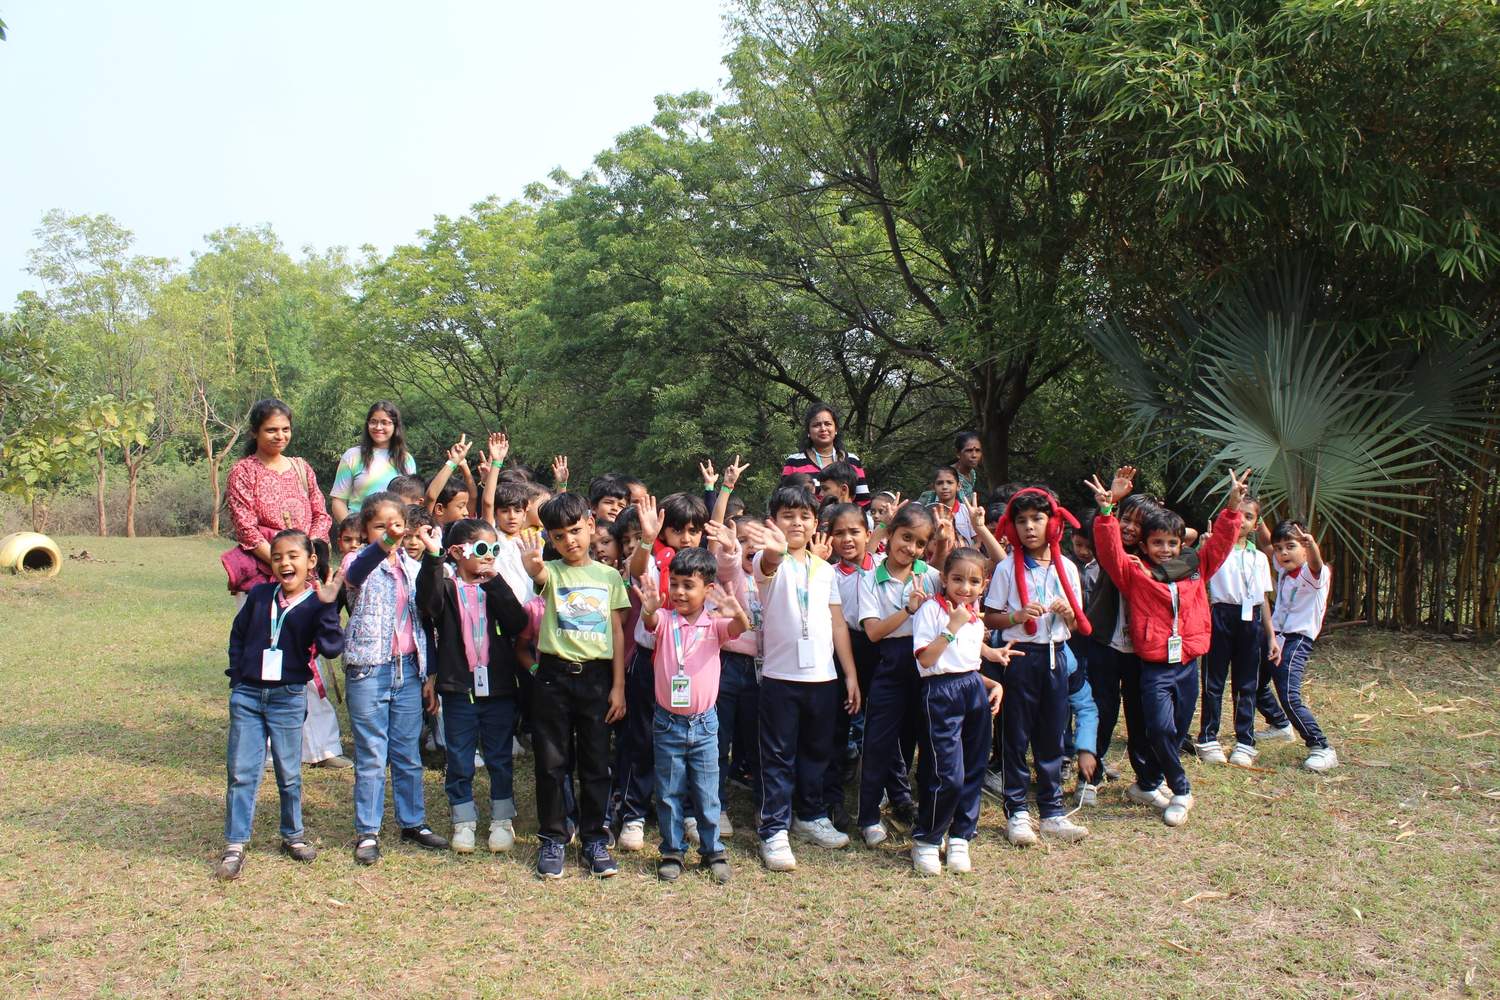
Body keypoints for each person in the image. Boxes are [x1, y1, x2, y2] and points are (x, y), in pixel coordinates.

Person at [1088, 466, 1250, 828]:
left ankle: (1148, 782)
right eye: (1157, 543)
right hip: (1155, 666)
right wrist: (1107, 510)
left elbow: (1220, 544)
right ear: (1145, 546)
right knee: (1158, 728)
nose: (1165, 550)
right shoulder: (1135, 573)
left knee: (1175, 731)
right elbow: (1110, 552)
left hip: (1188, 663)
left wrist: (1233, 508)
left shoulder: (1195, 567)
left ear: (1181, 546)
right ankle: (1181, 789)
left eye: (1171, 544)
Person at [740, 485, 862, 872]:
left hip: (823, 678)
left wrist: (850, 674)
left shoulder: (824, 569)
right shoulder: (767, 561)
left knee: (817, 752)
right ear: (773, 521)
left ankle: (809, 816)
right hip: (780, 677)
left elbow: (837, 623)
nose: (797, 523)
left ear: (815, 523)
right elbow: (769, 563)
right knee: (778, 756)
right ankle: (774, 829)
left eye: (804, 516)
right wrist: (775, 548)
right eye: (787, 516)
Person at [215, 530, 344, 880]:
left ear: (310, 561)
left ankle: (293, 836)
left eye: (292, 556)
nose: (284, 563)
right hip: (248, 696)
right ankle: (235, 844)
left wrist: (328, 605)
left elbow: (332, 648)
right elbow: (238, 634)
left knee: (289, 772)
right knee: (242, 771)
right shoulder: (260, 596)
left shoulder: (316, 604)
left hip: (288, 697)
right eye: (277, 557)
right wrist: (238, 677)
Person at [224, 399, 344, 768]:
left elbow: (321, 514)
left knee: (308, 660)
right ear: (255, 432)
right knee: (264, 656)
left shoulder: (302, 468)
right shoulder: (243, 472)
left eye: (285, 429)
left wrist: (306, 559)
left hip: (305, 575)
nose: (280, 436)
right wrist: (283, 564)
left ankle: (322, 748)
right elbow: (246, 527)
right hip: (264, 576)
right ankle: (266, 749)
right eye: (271, 430)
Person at [520, 492, 630, 879]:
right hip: (553, 677)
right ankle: (553, 838)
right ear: (550, 539)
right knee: (552, 762)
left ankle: (594, 840)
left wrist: (618, 686)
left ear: (591, 525)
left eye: (576, 530)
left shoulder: (609, 576)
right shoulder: (551, 572)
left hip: (597, 679)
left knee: (596, 763)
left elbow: (617, 632)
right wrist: (533, 567)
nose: (570, 541)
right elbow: (539, 576)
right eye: (559, 536)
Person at [341, 492, 448, 865]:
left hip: (409, 669)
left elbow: (429, 613)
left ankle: (413, 822)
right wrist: (386, 542)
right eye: (380, 526)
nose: (390, 532)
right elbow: (355, 574)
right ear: (365, 529)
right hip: (369, 669)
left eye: (397, 525)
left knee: (407, 752)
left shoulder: (412, 567)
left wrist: (429, 674)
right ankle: (368, 832)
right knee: (372, 754)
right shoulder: (357, 561)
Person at [981, 486, 1092, 846]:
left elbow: (1076, 624)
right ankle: (1017, 812)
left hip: (1056, 656)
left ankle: (1052, 811)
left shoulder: (1067, 568)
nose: (1029, 527)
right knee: (1015, 735)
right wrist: (1016, 616)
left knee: (1052, 734)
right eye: (1022, 521)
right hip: (1020, 656)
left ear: (1052, 523)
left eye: (1037, 519)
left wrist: (1068, 613)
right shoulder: (1005, 569)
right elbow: (992, 617)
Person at [633, 547, 750, 883]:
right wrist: (648, 610)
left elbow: (740, 628)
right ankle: (672, 850)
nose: (680, 592)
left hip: (705, 724)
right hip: (667, 722)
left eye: (689, 585)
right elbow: (650, 621)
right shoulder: (665, 620)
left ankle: (713, 851)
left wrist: (737, 612)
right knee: (669, 792)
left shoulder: (714, 625)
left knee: (707, 791)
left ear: (708, 590)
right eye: (675, 584)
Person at [415, 518, 529, 853]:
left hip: (498, 689)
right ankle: (463, 819)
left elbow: (517, 622)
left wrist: (496, 584)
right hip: (459, 689)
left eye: (494, 549)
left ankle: (502, 819)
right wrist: (433, 558)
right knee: (460, 758)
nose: (489, 555)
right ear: (456, 552)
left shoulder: (495, 586)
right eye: (481, 548)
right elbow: (428, 604)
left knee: (499, 757)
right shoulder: (447, 587)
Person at [611, 493, 708, 852]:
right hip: (651, 661)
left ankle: (690, 813)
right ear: (664, 531)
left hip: (692, 664)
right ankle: (634, 814)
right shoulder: (655, 560)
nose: (686, 537)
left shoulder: (706, 567)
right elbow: (638, 571)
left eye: (694, 530)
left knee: (689, 740)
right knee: (642, 738)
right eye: (678, 530)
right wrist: (647, 540)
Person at [909, 547, 1012, 874]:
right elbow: (927, 660)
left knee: (973, 768)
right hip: (940, 693)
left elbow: (967, 664)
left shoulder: (973, 615)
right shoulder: (931, 610)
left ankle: (960, 836)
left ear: (984, 585)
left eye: (974, 581)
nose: (965, 588)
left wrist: (992, 682)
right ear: (944, 578)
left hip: (972, 690)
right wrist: (951, 627)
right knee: (946, 772)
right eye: (957, 579)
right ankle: (927, 839)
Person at [856, 501, 941, 845]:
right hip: (889, 662)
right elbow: (874, 632)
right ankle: (868, 817)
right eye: (906, 537)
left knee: (927, 740)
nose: (911, 548)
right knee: (878, 741)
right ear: (890, 535)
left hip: (926, 664)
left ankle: (923, 811)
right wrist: (909, 609)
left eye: (920, 543)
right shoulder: (869, 578)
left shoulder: (931, 576)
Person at [1197, 493, 1277, 767]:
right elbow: (1199, 580)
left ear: (1256, 524)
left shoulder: (1260, 558)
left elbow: (1263, 599)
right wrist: (1205, 547)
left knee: (1247, 683)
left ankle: (1245, 740)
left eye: (1249, 516)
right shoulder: (1215, 550)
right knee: (1213, 680)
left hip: (1251, 619)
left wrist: (1271, 635)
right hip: (1221, 615)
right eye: (1237, 514)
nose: (1241, 520)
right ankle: (1208, 737)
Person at [1265, 520, 1339, 772]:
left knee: (1289, 694)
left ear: (1305, 548)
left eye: (1291, 546)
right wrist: (1258, 518)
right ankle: (1280, 724)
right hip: (1276, 636)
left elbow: (1317, 564)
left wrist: (1312, 546)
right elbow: (1266, 542)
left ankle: (1321, 746)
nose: (1283, 553)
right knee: (1253, 682)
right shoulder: (1286, 570)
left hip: (1296, 640)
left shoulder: (1314, 573)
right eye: (1279, 548)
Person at [823, 502, 877, 831]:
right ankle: (832, 799)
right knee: (837, 724)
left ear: (868, 534)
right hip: (841, 649)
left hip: (878, 648)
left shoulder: (882, 568)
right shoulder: (827, 574)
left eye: (854, 532)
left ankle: (882, 794)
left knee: (879, 724)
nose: (847, 539)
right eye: (839, 533)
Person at [328, 401, 418, 521]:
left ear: (395, 426)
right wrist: (352, 529)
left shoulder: (406, 459)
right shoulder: (352, 456)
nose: (378, 427)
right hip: (359, 527)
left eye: (384, 422)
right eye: (373, 422)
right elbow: (338, 501)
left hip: (395, 530)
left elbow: (411, 501)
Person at [781, 402, 870, 506]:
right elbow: (783, 501)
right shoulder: (794, 462)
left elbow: (864, 502)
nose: (823, 429)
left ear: (836, 429)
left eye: (828, 424)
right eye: (816, 425)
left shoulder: (852, 460)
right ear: (808, 431)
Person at [917, 431, 983, 506]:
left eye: (978, 450)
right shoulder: (946, 476)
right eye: (969, 451)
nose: (974, 455)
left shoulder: (972, 473)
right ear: (958, 453)